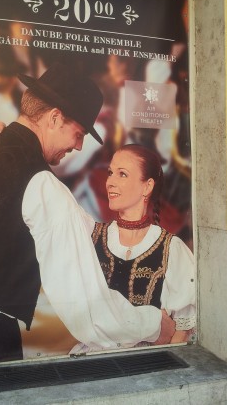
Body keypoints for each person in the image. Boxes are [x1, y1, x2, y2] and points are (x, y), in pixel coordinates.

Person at [0, 63, 175, 366]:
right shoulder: (43, 184)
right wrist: (154, 325)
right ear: (55, 117)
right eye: (79, 132)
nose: (79, 146)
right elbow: (85, 303)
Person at [93, 144, 195, 345]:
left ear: (147, 186)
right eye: (110, 173)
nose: (110, 182)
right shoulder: (93, 237)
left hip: (148, 365)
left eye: (122, 174)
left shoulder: (171, 248)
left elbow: (181, 331)